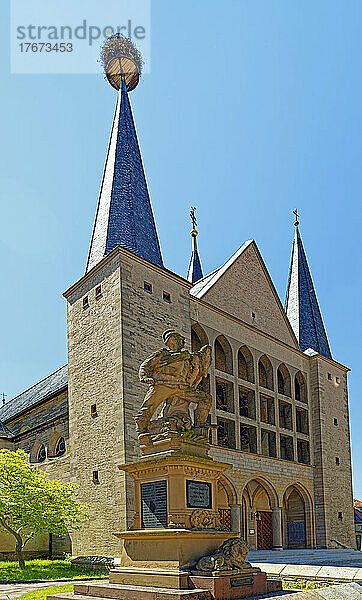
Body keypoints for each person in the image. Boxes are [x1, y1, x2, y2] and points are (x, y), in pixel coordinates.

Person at [135, 329, 212, 435]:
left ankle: (200, 425)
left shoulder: (187, 356)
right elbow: (146, 366)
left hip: (181, 386)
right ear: (172, 339)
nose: (183, 341)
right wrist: (144, 377)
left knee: (205, 399)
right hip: (164, 384)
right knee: (148, 407)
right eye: (180, 339)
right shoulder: (163, 354)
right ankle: (142, 431)